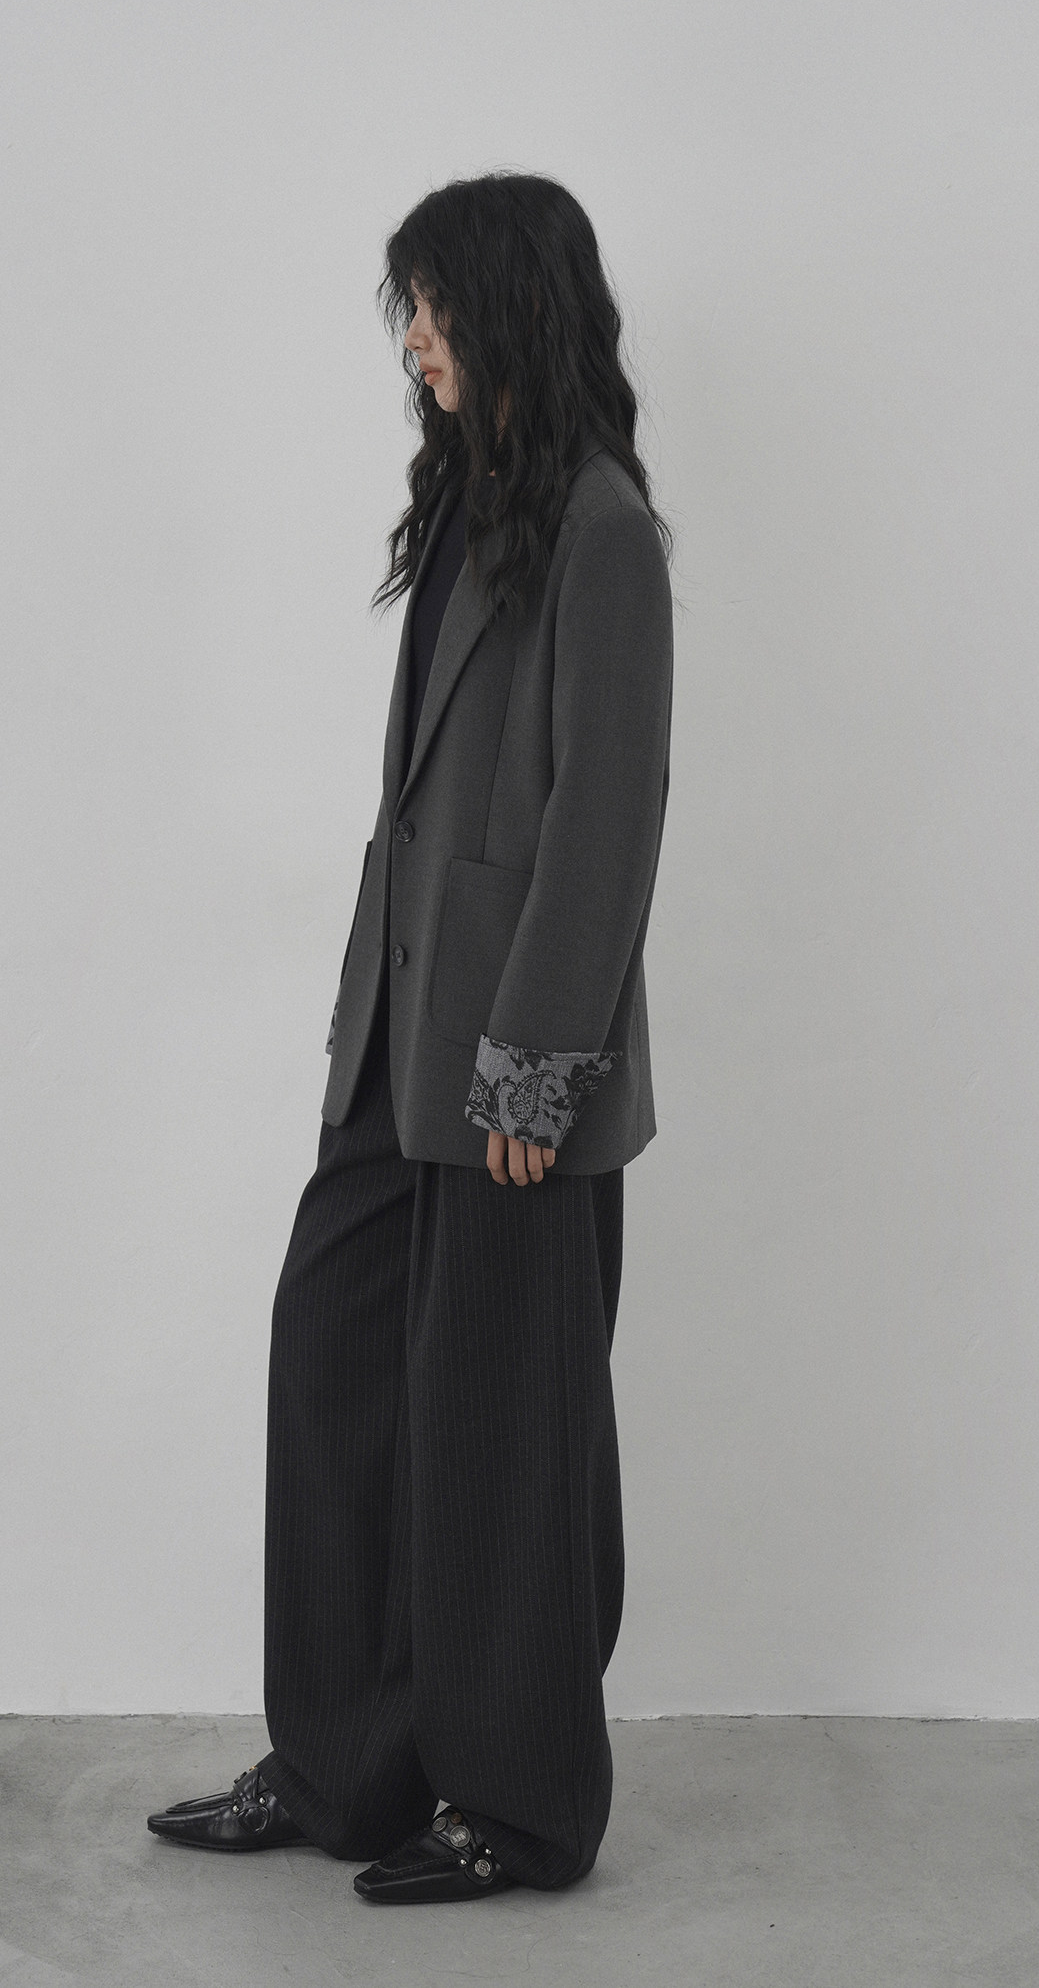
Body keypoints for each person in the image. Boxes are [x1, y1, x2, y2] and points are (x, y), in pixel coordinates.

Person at [148, 171, 674, 1904]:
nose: (417, 342)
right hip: (400, 1038)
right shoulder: (467, 501)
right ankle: (346, 1768)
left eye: (436, 308)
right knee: (335, 1354)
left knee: (500, 1430)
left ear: (512, 307)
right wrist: (370, 1014)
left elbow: (608, 811)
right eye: (409, 314)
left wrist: (538, 1061)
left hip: (513, 1063)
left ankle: (517, 1802)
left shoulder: (600, 527)